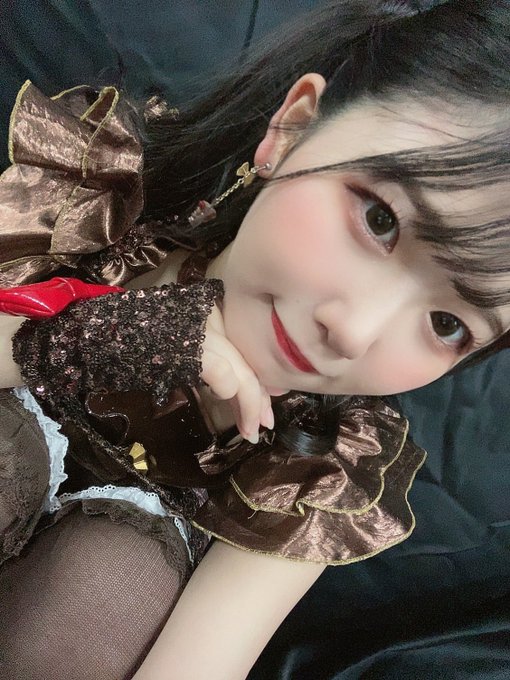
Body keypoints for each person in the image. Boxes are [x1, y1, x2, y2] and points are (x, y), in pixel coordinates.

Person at [0, 1, 509, 678]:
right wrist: (128, 336)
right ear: (290, 130)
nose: (353, 331)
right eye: (381, 220)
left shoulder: (322, 466)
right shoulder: (99, 207)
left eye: (449, 325)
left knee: (105, 587)